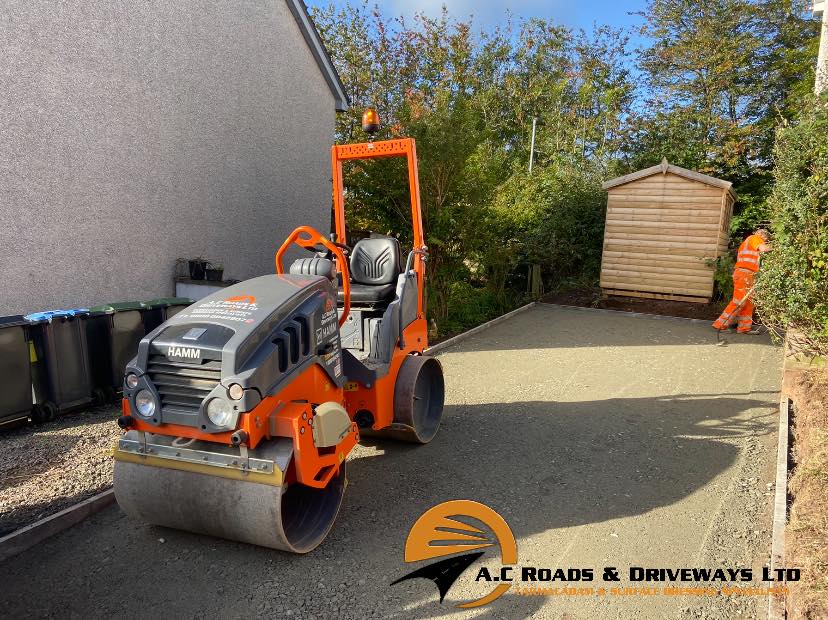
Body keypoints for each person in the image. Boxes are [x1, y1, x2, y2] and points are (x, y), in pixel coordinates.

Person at [712, 229, 771, 334]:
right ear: (761, 234)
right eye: (766, 239)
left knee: (748, 302)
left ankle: (744, 328)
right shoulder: (754, 238)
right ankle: (720, 325)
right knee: (739, 301)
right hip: (744, 274)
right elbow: (764, 249)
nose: (766, 242)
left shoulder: (751, 241)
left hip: (748, 274)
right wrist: (779, 247)